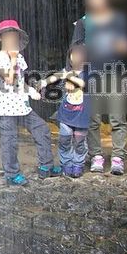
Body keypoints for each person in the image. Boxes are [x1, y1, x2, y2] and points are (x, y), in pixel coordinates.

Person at [71, 0, 127, 175]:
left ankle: (118, 158)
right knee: (92, 119)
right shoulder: (82, 22)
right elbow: (74, 51)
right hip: (91, 75)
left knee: (117, 118)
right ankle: (96, 156)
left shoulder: (119, 20)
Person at [0, 19, 56, 185]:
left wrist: (30, 90)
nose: (12, 39)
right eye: (8, 36)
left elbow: (19, 81)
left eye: (15, 36)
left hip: (22, 105)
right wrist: (12, 58)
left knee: (42, 129)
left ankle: (46, 166)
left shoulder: (19, 57)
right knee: (10, 141)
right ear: (0, 38)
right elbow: (10, 80)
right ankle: (12, 174)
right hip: (6, 108)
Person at [39, 43, 90, 178]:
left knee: (79, 142)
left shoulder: (89, 74)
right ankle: (66, 163)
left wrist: (70, 78)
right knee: (64, 140)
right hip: (66, 114)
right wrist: (43, 82)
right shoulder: (66, 71)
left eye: (80, 54)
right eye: (74, 54)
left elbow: (83, 84)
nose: (77, 57)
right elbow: (55, 76)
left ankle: (78, 164)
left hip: (82, 115)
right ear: (69, 57)